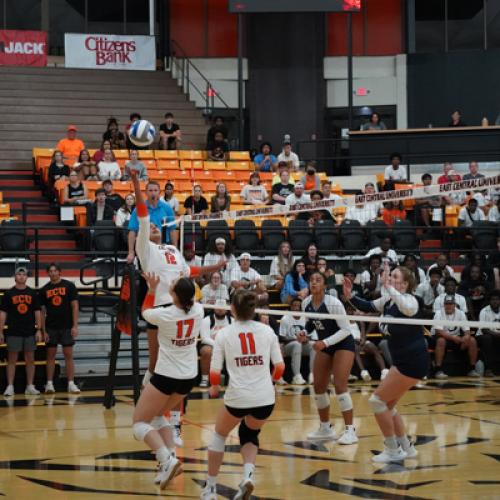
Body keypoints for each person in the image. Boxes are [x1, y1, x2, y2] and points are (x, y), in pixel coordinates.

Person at [130, 171, 225, 387]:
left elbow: (188, 271)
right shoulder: (144, 248)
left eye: (156, 226)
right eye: (150, 227)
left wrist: (214, 267)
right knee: (156, 363)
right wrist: (136, 182)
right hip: (160, 308)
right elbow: (143, 217)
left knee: (179, 362)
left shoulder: (172, 248)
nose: (153, 227)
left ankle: (174, 414)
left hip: (182, 308)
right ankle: (148, 400)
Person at [200, 290, 285, 500]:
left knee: (219, 436)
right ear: (254, 309)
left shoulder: (224, 333)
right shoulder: (267, 331)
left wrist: (214, 387)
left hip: (238, 397)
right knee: (249, 434)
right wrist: (271, 383)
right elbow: (280, 367)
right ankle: (247, 476)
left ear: (233, 309)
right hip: (265, 398)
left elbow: (214, 371)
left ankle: (210, 488)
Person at [343, 262, 424, 462]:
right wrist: (349, 295)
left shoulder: (411, 301)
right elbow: (367, 306)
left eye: (395, 277)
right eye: (390, 276)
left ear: (405, 284)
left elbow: (405, 307)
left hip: (412, 361)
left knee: (376, 401)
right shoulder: (388, 300)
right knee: (387, 404)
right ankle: (407, 447)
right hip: (403, 361)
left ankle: (392, 450)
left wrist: (388, 287)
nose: (389, 280)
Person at [133, 273, 204, 490]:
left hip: (166, 376)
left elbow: (144, 312)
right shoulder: (199, 310)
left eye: (171, 284)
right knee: (156, 416)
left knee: (139, 424)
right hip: (189, 377)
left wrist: (152, 289)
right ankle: (170, 458)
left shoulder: (165, 315)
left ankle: (166, 459)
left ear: (173, 294)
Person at [304, 272, 358, 444]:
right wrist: (303, 333)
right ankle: (325, 428)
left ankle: (350, 430)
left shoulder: (333, 303)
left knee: (340, 384)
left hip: (343, 344)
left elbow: (346, 330)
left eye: (318, 280)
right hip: (325, 345)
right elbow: (310, 325)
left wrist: (325, 342)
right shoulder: (306, 303)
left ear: (324, 286)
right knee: (318, 386)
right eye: (311, 280)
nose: (314, 282)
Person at [0, 267, 42, 396]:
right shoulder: (8, 294)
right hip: (13, 331)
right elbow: (2, 313)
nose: (21, 276)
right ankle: (10, 386)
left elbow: (37, 312)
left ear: (27, 277)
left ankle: (30, 385)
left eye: (24, 274)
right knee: (12, 359)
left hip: (29, 331)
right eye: (19, 274)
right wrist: (0, 331)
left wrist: (39, 329)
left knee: (30, 359)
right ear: (15, 277)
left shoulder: (32, 293)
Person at [39, 263, 80, 394]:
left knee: (68, 355)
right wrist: (43, 330)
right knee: (50, 355)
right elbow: (42, 312)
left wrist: (75, 326)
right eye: (50, 271)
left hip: (67, 326)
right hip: (51, 327)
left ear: (59, 272)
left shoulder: (69, 286)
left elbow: (75, 306)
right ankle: (50, 384)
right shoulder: (44, 289)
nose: (53, 273)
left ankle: (71, 383)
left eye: (55, 270)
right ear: (48, 273)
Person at [128, 180, 178, 264]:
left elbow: (172, 230)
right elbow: (132, 231)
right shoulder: (138, 209)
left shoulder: (167, 208)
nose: (153, 193)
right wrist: (131, 252)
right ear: (146, 193)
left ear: (159, 192)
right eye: (150, 190)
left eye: (155, 190)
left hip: (163, 246)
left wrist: (175, 249)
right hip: (145, 246)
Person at [431, 296, 479, 379]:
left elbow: (467, 330)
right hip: (439, 337)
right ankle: (438, 370)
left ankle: (472, 369)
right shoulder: (439, 313)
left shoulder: (461, 313)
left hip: (455, 337)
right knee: (441, 341)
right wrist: (454, 338)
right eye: (447, 304)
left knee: (472, 340)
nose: (449, 306)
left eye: (451, 304)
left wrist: (466, 337)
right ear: (444, 305)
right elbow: (439, 331)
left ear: (454, 305)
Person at [280, 297, 316, 385]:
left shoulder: (305, 318)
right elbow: (281, 337)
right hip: (288, 346)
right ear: (291, 307)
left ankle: (312, 375)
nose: (296, 308)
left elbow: (312, 336)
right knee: (297, 344)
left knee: (314, 344)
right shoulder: (285, 318)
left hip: (302, 345)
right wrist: (297, 339)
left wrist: (306, 339)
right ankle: (296, 376)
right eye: (294, 306)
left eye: (298, 306)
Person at [349, 302, 389, 382]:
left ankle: (384, 371)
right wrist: (353, 340)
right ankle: (364, 372)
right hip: (351, 342)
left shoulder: (359, 321)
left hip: (360, 341)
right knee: (355, 348)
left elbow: (363, 333)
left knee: (372, 347)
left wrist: (363, 339)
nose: (352, 312)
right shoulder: (343, 321)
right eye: (350, 310)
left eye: (352, 310)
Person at [199, 301, 232, 388]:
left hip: (227, 345)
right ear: (214, 308)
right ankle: (205, 378)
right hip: (211, 344)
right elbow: (204, 338)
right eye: (218, 307)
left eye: (222, 308)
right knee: (206, 351)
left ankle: (235, 378)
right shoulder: (206, 320)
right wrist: (219, 346)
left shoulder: (232, 320)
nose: (220, 310)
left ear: (227, 310)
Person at [476, 290, 500, 377]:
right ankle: (488, 369)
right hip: (482, 336)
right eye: (493, 299)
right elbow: (484, 329)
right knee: (487, 339)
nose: (495, 301)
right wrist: (496, 334)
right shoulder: (484, 311)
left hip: (497, 335)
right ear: (489, 301)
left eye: (497, 299)